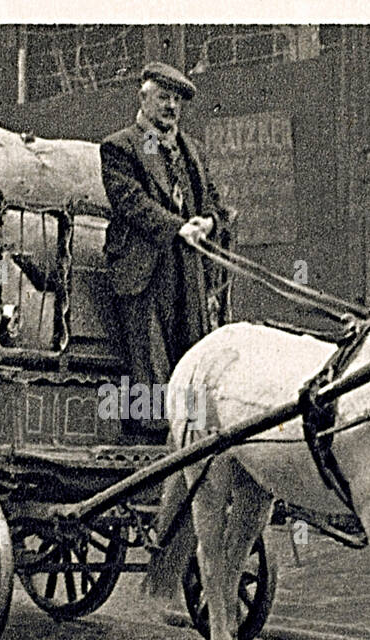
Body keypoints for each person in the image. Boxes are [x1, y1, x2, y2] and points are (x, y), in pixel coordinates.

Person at [100, 62, 228, 433]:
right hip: (144, 270)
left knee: (193, 355)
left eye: (176, 100)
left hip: (189, 267)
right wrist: (177, 228)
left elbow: (216, 205)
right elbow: (132, 203)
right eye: (163, 97)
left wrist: (209, 222)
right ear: (143, 97)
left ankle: (190, 436)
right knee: (152, 362)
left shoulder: (193, 150)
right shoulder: (119, 147)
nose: (171, 106)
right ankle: (154, 443)